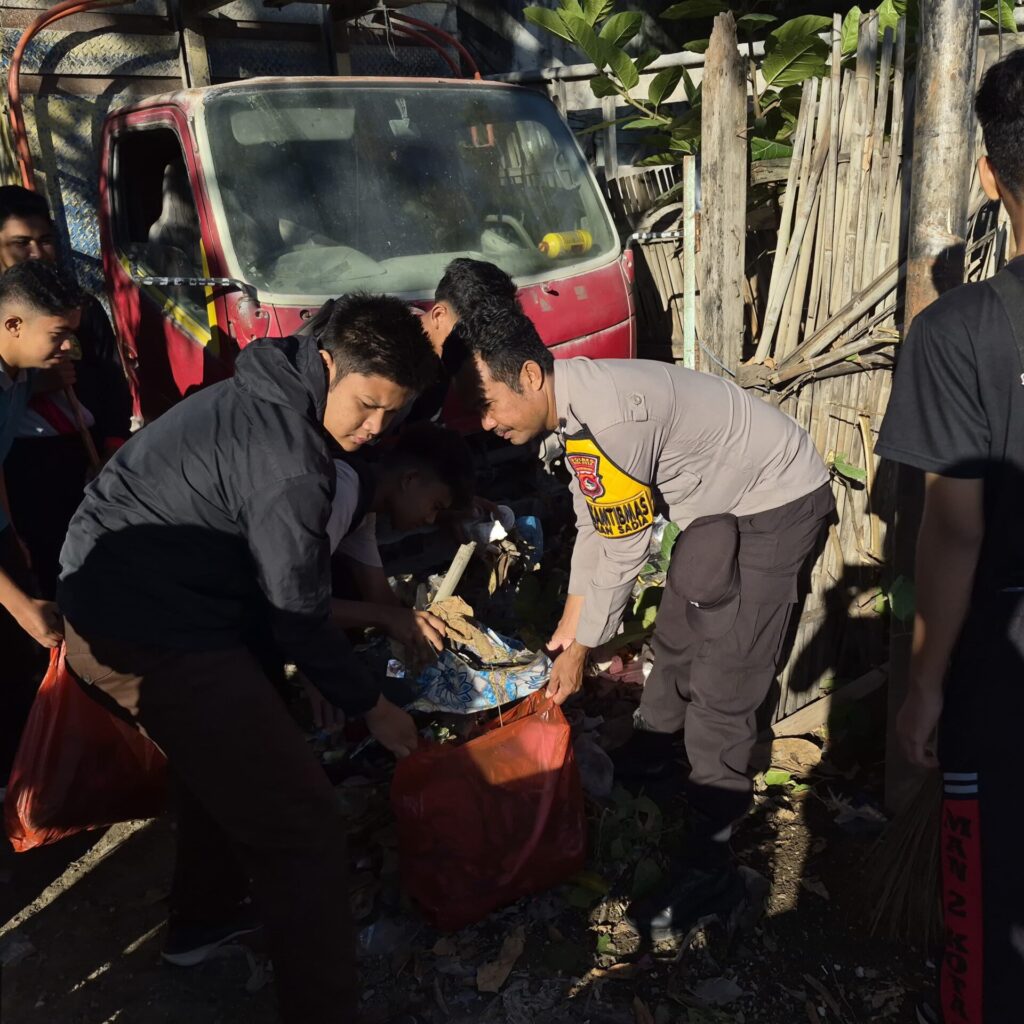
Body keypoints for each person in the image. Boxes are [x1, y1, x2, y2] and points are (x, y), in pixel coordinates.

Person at [57, 293, 439, 1022]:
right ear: (327, 365)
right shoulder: (289, 460)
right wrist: (373, 706)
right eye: (364, 406)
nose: (373, 429)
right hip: (145, 626)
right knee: (302, 823)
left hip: (155, 602)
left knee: (226, 766)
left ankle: (199, 929)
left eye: (393, 414)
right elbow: (296, 612)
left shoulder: (270, 388)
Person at [454, 303, 834, 941]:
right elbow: (594, 526)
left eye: (491, 406)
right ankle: (656, 753)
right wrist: (569, 634)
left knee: (727, 678)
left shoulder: (608, 420)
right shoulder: (573, 414)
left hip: (777, 494)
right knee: (680, 630)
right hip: (719, 497)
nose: (487, 424)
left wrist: (582, 648)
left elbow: (624, 549)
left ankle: (711, 861)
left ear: (529, 375)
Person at [875, 49, 1024, 1024]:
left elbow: (954, 530)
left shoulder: (960, 333)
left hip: (1001, 672)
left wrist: (922, 687)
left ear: (988, 174)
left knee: (988, 923)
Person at [0, 185, 132, 597]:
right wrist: (38, 384)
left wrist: (111, 445)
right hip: (24, 464)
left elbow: (112, 379)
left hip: (83, 447)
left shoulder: (79, 310)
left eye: (45, 241)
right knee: (42, 562)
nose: (37, 253)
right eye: (21, 244)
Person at [0, 260, 83, 779]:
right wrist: (20, 606)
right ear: (12, 325)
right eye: (58, 335)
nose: (68, 348)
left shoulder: (17, 375)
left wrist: (10, 531)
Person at [328, 422, 475, 663]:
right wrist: (388, 617)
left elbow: (379, 594)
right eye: (435, 506)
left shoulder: (364, 512)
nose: (430, 519)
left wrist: (420, 625)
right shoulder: (341, 494)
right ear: (410, 479)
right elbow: (298, 605)